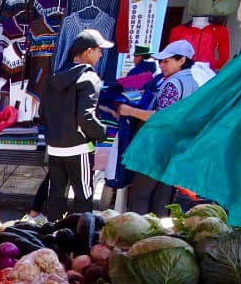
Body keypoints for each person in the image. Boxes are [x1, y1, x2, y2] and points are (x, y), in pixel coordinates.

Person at [120, 39, 201, 216]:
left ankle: (135, 238)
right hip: (175, 148)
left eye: (167, 61)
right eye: (161, 61)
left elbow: (161, 118)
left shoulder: (173, 84)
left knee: (140, 197)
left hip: (158, 148)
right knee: (162, 198)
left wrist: (130, 110)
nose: (162, 65)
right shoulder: (193, 83)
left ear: (181, 61)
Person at [41, 29, 112, 221]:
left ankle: (52, 236)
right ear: (88, 52)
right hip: (78, 148)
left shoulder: (55, 77)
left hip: (55, 148)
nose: (101, 54)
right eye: (99, 50)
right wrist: (103, 133)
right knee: (83, 197)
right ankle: (80, 241)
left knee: (55, 196)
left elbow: (42, 113)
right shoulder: (89, 78)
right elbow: (85, 117)